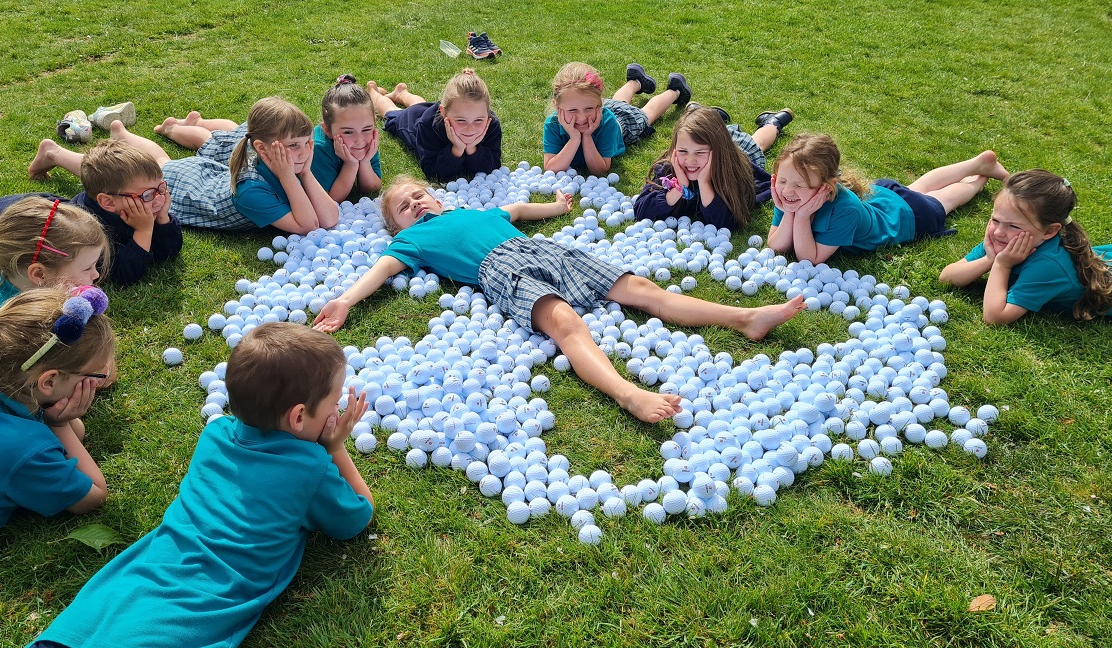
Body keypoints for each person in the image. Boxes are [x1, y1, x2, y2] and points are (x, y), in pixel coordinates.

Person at [0, 323, 372, 648]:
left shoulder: (216, 434)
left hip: (90, 622)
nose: (337, 412)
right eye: (334, 403)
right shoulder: (310, 467)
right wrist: (334, 447)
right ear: (299, 416)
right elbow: (357, 515)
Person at [313, 175, 805, 423]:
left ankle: (744, 317)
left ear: (438, 197)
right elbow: (382, 269)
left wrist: (557, 206)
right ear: (397, 224)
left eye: (420, 194)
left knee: (642, 290)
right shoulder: (412, 242)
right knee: (565, 323)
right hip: (503, 271)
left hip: (545, 249)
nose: (417, 202)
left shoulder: (478, 211)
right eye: (404, 205)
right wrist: (346, 301)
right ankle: (627, 393)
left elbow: (519, 210)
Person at [0, 287, 112, 566]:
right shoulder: (24, 449)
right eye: (96, 374)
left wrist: (60, 423)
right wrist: (61, 422)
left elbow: (76, 436)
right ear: (49, 381)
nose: (101, 381)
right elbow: (93, 495)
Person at [30, 97, 340, 233]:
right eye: (294, 146)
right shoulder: (251, 191)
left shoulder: (286, 163)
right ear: (263, 148)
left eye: (306, 144)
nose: (302, 152)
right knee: (134, 175)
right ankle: (55, 152)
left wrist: (304, 172)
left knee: (162, 162)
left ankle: (121, 134)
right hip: (190, 194)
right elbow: (309, 226)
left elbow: (329, 218)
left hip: (207, 178)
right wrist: (291, 176)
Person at [0, 140, 180, 285]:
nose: (159, 197)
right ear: (107, 202)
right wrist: (145, 229)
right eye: (148, 194)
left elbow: (168, 251)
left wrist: (161, 219)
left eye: (161, 188)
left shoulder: (137, 209)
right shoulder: (86, 232)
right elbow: (124, 275)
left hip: (27, 209)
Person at [767, 132, 1008, 264]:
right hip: (882, 198)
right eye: (783, 180)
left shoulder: (844, 208)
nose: (787, 191)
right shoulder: (791, 197)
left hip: (908, 217)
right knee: (918, 186)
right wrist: (790, 211)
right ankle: (977, 163)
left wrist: (800, 218)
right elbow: (777, 245)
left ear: (827, 187)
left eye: (799, 185)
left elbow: (809, 258)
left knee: (942, 199)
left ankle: (976, 180)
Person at [939, 169, 1112, 324]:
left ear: (1049, 231)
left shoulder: (1048, 265)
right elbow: (947, 278)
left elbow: (994, 317)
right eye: (995, 220)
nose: (999, 231)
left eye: (1013, 225)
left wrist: (1002, 265)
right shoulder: (1005, 239)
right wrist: (988, 259)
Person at [634, 105, 793, 231]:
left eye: (700, 153)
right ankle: (702, 112)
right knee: (697, 129)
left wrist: (704, 183)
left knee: (757, 142)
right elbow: (642, 211)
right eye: (683, 151)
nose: (690, 160)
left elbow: (726, 222)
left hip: (737, 149)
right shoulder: (669, 168)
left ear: (717, 152)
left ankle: (772, 124)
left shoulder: (733, 172)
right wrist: (680, 187)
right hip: (713, 136)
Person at [542, 62, 691, 175]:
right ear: (558, 107)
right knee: (619, 103)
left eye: (588, 109)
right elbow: (551, 168)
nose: (581, 118)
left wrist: (586, 136)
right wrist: (575, 139)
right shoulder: (553, 124)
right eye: (573, 110)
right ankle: (636, 81)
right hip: (606, 110)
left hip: (622, 123)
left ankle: (675, 91)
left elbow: (600, 170)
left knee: (647, 114)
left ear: (599, 105)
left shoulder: (608, 123)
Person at [369, 68, 501, 182]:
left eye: (478, 120)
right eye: (461, 120)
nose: (470, 128)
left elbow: (494, 165)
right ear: (444, 113)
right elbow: (433, 171)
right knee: (393, 113)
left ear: (487, 114)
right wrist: (457, 149)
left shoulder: (491, 124)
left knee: (420, 105)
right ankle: (372, 92)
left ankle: (401, 94)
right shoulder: (427, 125)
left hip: (429, 110)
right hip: (412, 122)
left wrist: (472, 148)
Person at [312, 74, 383, 200]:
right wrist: (351, 164)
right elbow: (332, 198)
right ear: (327, 130)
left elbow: (372, 188)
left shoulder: (369, 139)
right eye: (348, 132)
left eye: (366, 129)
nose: (360, 140)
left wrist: (365, 162)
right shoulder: (318, 148)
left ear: (374, 122)